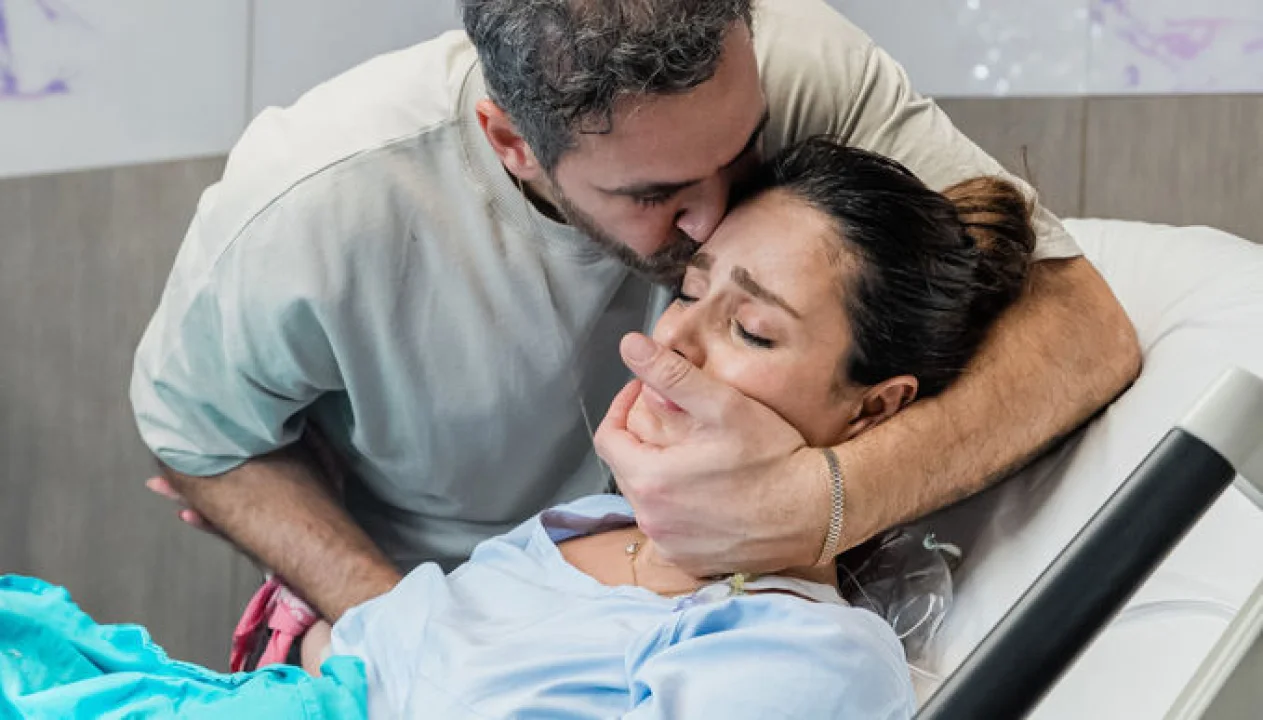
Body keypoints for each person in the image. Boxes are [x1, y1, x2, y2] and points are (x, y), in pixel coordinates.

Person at [131, 0, 1140, 649]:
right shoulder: (312, 203)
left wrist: (823, 502)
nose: (711, 221)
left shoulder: (806, 63)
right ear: (511, 142)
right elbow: (205, 445)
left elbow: (1080, 325)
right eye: (655, 194)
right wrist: (413, 639)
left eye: (743, 153)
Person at [11, 139, 1035, 719]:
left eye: (752, 329)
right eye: (689, 290)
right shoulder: (587, 527)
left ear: (874, 407)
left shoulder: (803, 654)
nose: (674, 341)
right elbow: (368, 653)